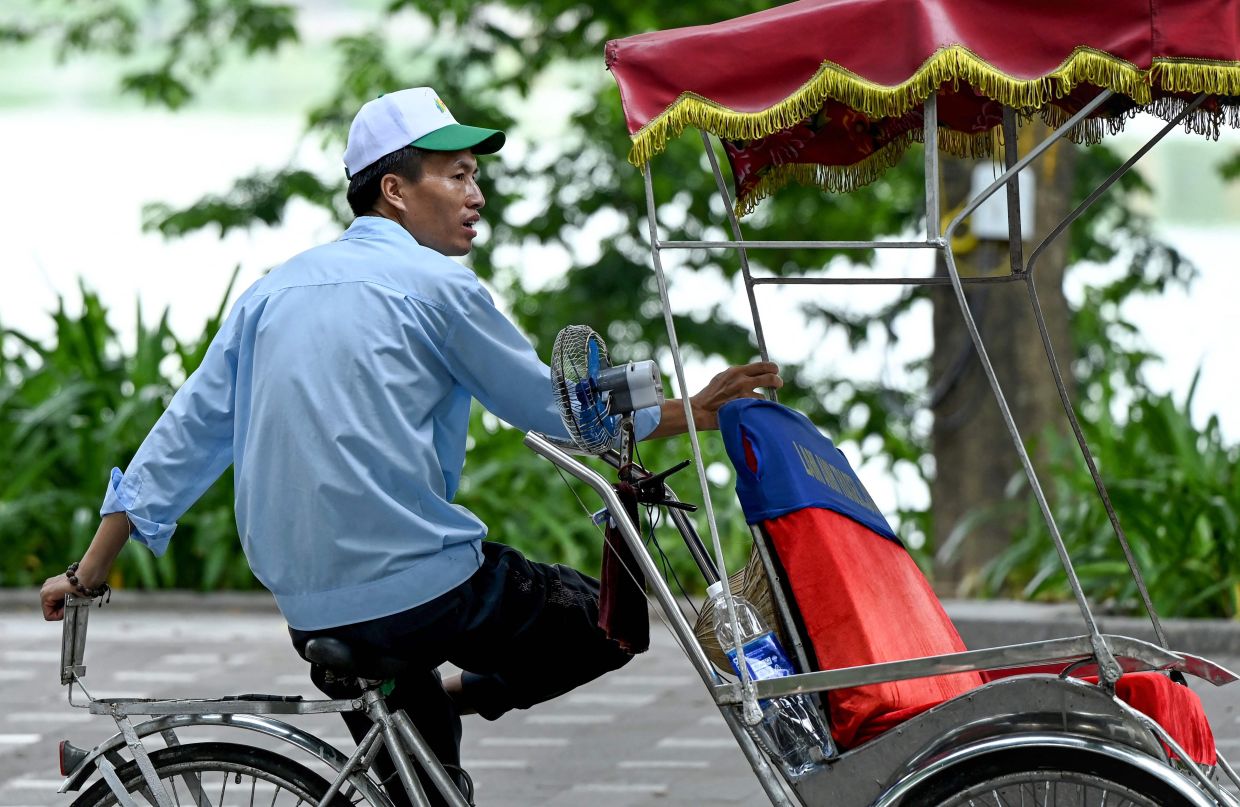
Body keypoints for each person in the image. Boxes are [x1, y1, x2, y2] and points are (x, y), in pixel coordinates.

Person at [40, 86, 782, 804]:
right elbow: (553, 405)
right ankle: (457, 696)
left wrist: (89, 570)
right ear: (395, 190)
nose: (477, 195)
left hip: (310, 598)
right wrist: (696, 410)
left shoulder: (271, 292)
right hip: (419, 585)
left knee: (422, 781)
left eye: (477, 178)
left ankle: (426, 707)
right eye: (458, 176)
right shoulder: (437, 287)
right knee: (607, 622)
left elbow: (188, 429)